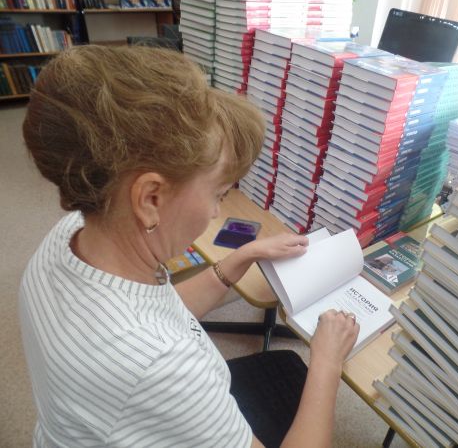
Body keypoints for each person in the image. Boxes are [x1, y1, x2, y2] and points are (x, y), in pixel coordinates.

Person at [19, 45, 360, 448]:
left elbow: (162, 311)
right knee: (297, 372)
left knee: (282, 367)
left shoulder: (70, 233)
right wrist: (327, 361)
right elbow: (155, 348)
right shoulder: (160, 364)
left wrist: (242, 257)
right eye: (218, 193)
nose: (216, 211)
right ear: (150, 198)